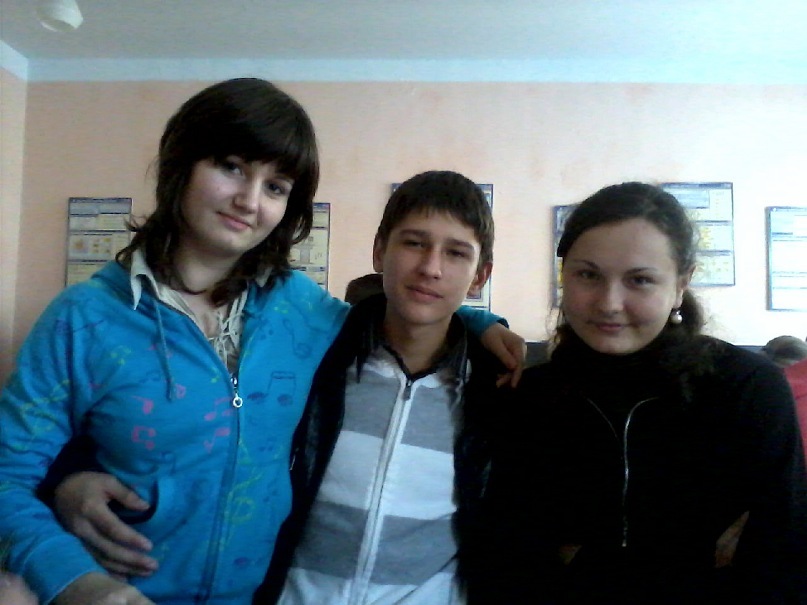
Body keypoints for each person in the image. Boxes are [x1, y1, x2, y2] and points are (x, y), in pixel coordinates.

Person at [0, 79, 521, 605]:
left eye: (275, 186)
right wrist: (74, 572)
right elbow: (7, 477)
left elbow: (403, 311)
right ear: (180, 164)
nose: (249, 201)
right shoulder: (83, 320)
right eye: (231, 167)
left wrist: (479, 324)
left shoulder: (300, 311)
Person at [478, 182, 807, 604]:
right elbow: (507, 560)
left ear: (681, 284)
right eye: (588, 275)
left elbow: (780, 561)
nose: (609, 303)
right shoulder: (530, 396)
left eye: (640, 280)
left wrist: (586, 559)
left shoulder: (746, 389)